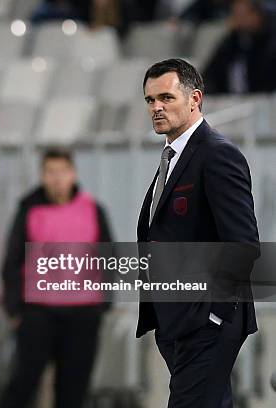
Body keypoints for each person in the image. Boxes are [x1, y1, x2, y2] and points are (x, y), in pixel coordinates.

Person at [137, 58, 259, 407]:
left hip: (206, 323)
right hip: (177, 323)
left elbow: (243, 245)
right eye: (149, 100)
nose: (156, 107)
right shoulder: (173, 156)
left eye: (166, 97)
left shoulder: (218, 155)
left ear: (195, 99)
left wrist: (214, 315)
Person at [0, 148, 112, 408]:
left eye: (62, 171)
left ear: (72, 174)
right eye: (50, 172)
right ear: (42, 175)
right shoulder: (29, 209)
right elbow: (13, 260)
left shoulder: (93, 209)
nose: (57, 178)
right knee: (22, 384)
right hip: (38, 313)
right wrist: (15, 310)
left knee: (73, 390)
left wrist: (104, 302)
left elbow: (108, 257)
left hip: (83, 313)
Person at [203, 0, 276, 94]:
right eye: (235, 14)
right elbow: (211, 73)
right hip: (230, 100)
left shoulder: (271, 43)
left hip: (264, 98)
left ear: (257, 15)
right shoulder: (232, 40)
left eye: (243, 15)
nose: (238, 20)